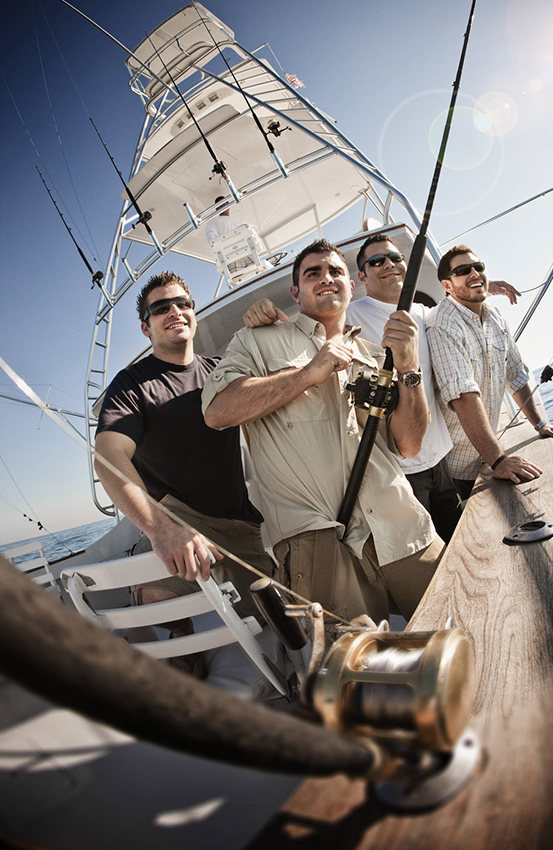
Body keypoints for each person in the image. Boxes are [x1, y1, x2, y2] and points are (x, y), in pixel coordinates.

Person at [202, 239, 444, 628]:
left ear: (352, 284)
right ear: (296, 292)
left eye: (334, 271)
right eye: (312, 273)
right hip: (316, 546)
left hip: (403, 527)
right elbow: (218, 412)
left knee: (459, 632)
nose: (325, 278)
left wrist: (410, 369)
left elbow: (408, 444)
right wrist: (305, 374)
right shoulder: (256, 340)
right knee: (359, 679)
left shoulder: (372, 351)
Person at [242, 232, 521, 542]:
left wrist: (482, 289)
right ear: (361, 276)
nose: (388, 264)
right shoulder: (350, 314)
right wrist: (264, 312)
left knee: (461, 544)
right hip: (397, 469)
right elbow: (312, 326)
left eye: (395, 257)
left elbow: (456, 305)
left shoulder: (427, 315)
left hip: (441, 457)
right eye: (376, 261)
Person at [94, 271, 275, 681]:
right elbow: (108, 454)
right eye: (161, 308)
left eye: (183, 304)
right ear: (147, 327)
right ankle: (184, 656)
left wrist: (268, 323)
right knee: (159, 596)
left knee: (275, 615)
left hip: (240, 525)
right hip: (178, 519)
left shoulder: (221, 371)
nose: (175, 311)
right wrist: (160, 530)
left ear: (193, 314)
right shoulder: (131, 385)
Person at [426, 244, 553, 499]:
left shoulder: (495, 316)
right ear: (447, 285)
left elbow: (517, 376)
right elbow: (463, 397)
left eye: (479, 267)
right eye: (464, 270)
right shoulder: (442, 325)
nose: (474, 273)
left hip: (488, 454)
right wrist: (499, 461)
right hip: (456, 469)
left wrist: (540, 424)